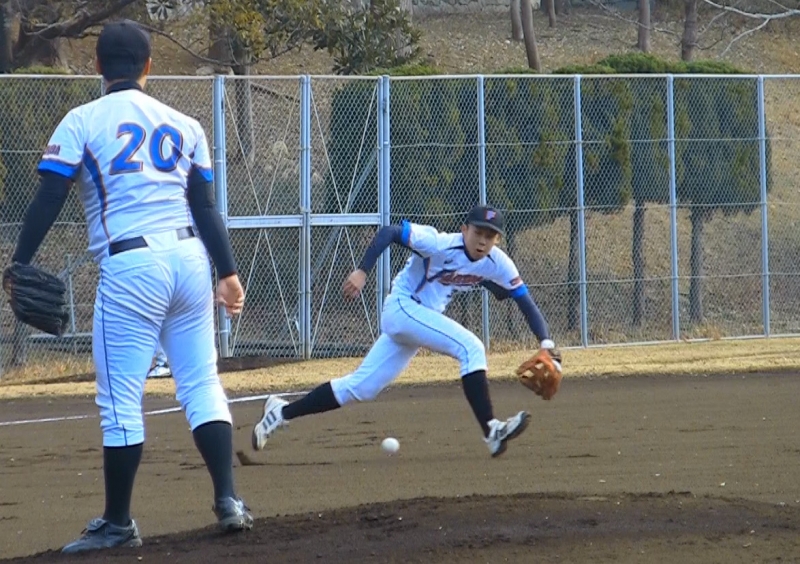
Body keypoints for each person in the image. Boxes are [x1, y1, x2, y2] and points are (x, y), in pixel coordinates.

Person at [7, 20, 253, 553]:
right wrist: (228, 272)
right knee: (201, 382)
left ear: (98, 66)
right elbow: (204, 206)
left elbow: (49, 197)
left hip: (131, 265)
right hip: (190, 260)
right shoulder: (185, 125)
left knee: (120, 399)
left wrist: (17, 263)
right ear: (148, 67)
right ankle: (229, 500)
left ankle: (117, 522)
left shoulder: (82, 120)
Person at [251, 205, 561, 458]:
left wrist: (547, 342)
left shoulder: (498, 263)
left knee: (360, 388)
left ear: (497, 240)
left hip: (417, 321)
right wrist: (362, 271)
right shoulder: (439, 243)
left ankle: (281, 413)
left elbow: (524, 300)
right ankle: (491, 430)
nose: (482, 240)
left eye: (490, 235)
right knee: (471, 348)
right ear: (464, 229)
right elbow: (390, 232)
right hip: (402, 308)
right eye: (478, 232)